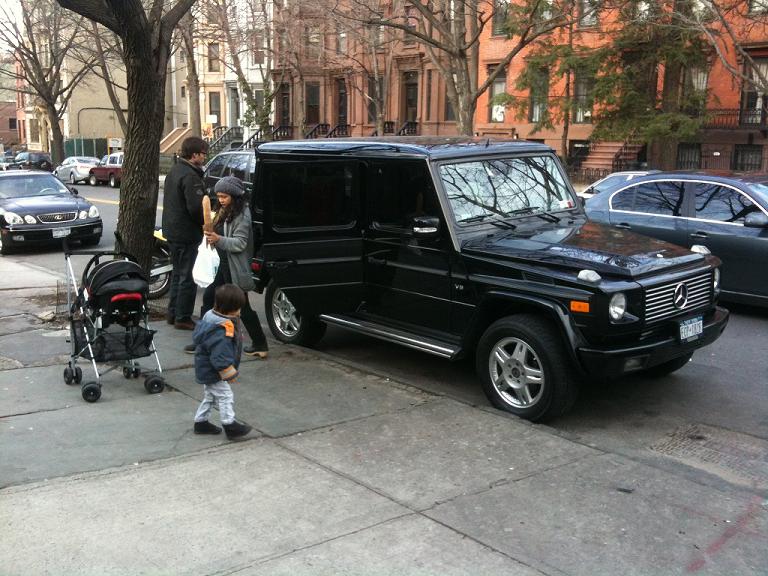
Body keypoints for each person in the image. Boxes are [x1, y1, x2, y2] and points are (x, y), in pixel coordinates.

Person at [185, 176, 269, 357]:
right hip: (222, 265)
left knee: (242, 306)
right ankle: (202, 341)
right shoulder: (225, 210)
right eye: (219, 196)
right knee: (209, 298)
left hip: (234, 267)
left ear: (235, 196)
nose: (221, 199)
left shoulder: (242, 215)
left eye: (224, 196)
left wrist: (218, 239)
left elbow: (240, 243)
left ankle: (260, 344)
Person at [192, 283, 252, 440]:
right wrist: (228, 372)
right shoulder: (221, 329)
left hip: (206, 368)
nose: (239, 311)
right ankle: (230, 425)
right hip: (214, 370)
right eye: (238, 308)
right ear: (230, 309)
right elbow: (219, 356)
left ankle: (201, 422)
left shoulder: (211, 317)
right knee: (226, 396)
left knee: (210, 397)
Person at [162, 136, 209, 330]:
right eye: (203, 154)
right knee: (188, 276)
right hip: (187, 233)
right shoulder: (190, 176)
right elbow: (196, 208)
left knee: (177, 274)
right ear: (194, 155)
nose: (205, 157)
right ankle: (183, 317)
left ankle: (173, 313)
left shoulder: (175, 170)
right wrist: (207, 223)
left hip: (172, 231)